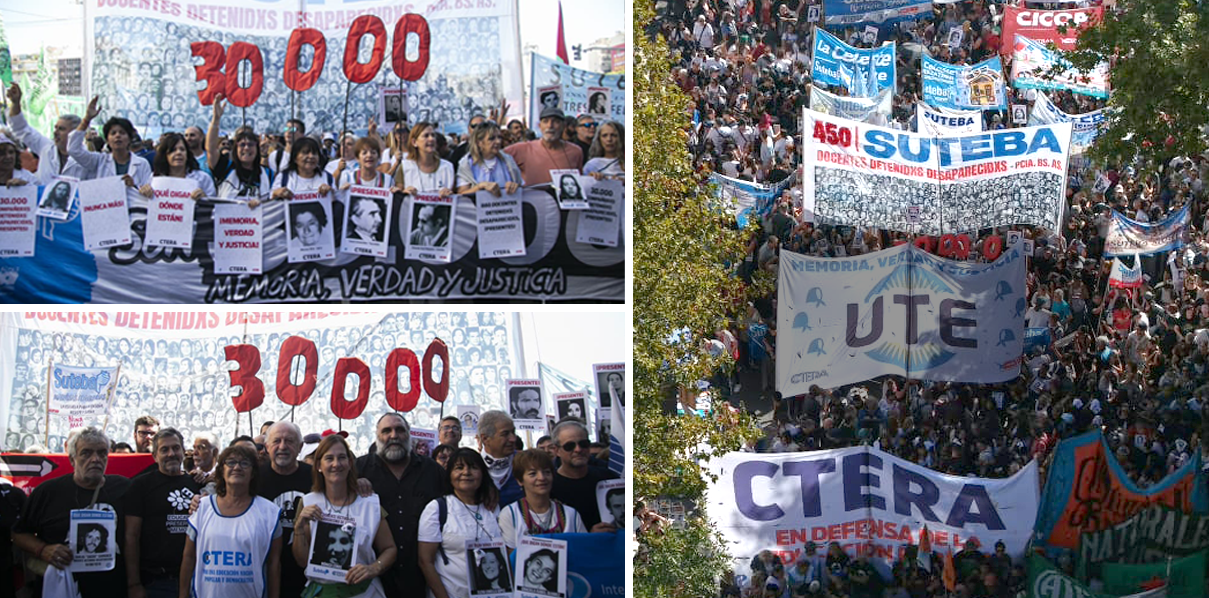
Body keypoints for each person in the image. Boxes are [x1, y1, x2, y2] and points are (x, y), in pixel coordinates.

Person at [12, 426, 132, 596]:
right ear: (72, 459)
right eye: (86, 453)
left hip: (110, 587)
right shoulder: (47, 492)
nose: (95, 459)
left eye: (102, 453)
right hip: (61, 586)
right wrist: (43, 550)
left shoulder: (124, 488)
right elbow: (18, 534)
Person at [293, 434, 397, 597]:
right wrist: (298, 527)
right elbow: (302, 561)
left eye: (342, 457)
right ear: (319, 465)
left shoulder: (370, 503)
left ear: (350, 463)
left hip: (363, 593)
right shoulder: (308, 503)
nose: (336, 464)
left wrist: (373, 568)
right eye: (329, 458)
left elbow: (390, 548)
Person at [355, 413, 446, 594]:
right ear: (377, 436)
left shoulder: (433, 471)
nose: (394, 435)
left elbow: (457, 499)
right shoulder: (359, 469)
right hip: (373, 581)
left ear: (409, 434)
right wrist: (351, 485)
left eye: (400, 430)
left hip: (422, 579)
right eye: (386, 431)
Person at [180, 444, 283, 598]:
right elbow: (188, 557)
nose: (237, 467)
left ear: (253, 473)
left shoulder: (269, 512)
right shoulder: (202, 508)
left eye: (244, 463)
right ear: (221, 470)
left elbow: (274, 564)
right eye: (231, 462)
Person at [417, 448, 504, 598]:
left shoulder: (492, 507)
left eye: (473, 467)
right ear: (450, 474)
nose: (466, 472)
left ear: (483, 474)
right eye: (459, 468)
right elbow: (426, 562)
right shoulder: (437, 508)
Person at [125, 427, 201, 598]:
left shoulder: (197, 484)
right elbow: (131, 536)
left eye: (176, 448)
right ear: (154, 456)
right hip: (156, 582)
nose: (171, 454)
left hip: (195, 579)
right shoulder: (140, 486)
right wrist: (134, 584)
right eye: (164, 449)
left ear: (183, 451)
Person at [258, 421, 312, 598]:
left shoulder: (316, 477)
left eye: (289, 441)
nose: (282, 447)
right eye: (276, 441)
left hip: (306, 574)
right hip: (264, 571)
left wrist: (359, 483)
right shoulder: (253, 478)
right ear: (267, 446)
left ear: (300, 447)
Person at [498, 449, 587, 549]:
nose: (542, 477)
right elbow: (511, 558)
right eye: (533, 473)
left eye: (547, 472)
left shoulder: (571, 514)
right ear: (520, 480)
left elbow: (582, 550)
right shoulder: (510, 514)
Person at [7, 82, 87, 183]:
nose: (55, 132)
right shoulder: (46, 147)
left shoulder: (87, 158)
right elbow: (21, 128)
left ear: (75, 133)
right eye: (55, 128)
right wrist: (15, 103)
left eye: (61, 129)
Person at [68, 96, 153, 191]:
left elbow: (147, 192)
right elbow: (73, 150)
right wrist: (86, 120)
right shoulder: (98, 161)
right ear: (107, 140)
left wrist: (133, 186)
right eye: (113, 133)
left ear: (129, 138)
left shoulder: (142, 164)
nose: (117, 136)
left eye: (122, 133)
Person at [550, 420, 619, 530]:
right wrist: (588, 537)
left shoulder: (609, 478)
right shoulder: (548, 486)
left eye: (584, 444)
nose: (578, 449)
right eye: (569, 446)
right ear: (557, 450)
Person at [206, 94, 272, 202]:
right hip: (227, 218)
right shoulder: (225, 167)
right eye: (242, 145)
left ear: (257, 148)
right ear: (235, 148)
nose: (246, 148)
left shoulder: (268, 174)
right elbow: (211, 149)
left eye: (250, 145)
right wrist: (216, 120)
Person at [503, 107, 583, 186]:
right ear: (540, 125)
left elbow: (580, 180)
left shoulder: (576, 151)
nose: (550, 126)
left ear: (563, 126)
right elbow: (494, 156)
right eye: (545, 121)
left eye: (555, 122)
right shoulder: (522, 149)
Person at [138, 132, 216, 201]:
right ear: (165, 155)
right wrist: (144, 192)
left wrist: (204, 199)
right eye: (173, 150)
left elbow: (213, 206)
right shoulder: (154, 178)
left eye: (182, 149)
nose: (178, 153)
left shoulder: (203, 178)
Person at [455, 120, 523, 196]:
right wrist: (479, 187)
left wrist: (514, 186)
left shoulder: (508, 160)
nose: (498, 141)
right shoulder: (467, 164)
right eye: (492, 138)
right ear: (479, 142)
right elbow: (461, 195)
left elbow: (521, 186)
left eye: (499, 137)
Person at [476, 410, 523, 507]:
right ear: (485, 438)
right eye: (505, 434)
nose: (513, 439)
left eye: (513, 432)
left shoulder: (525, 462)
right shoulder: (472, 465)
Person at [397, 121, 455, 196]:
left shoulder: (448, 167)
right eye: (426, 136)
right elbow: (398, 198)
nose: (431, 139)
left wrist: (449, 194)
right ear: (414, 142)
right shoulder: (405, 167)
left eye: (433, 135)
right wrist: (405, 193)